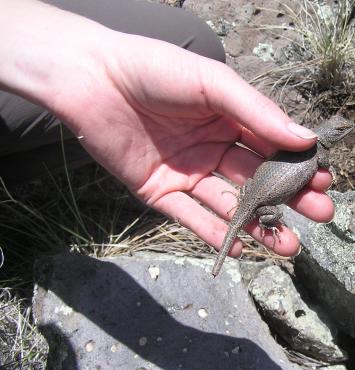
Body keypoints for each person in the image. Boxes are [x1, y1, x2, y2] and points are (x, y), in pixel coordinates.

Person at [0, 0, 335, 260]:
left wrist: (100, 70)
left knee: (197, 43)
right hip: (254, 199)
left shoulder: (308, 151)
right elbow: (317, 163)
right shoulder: (315, 152)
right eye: (340, 131)